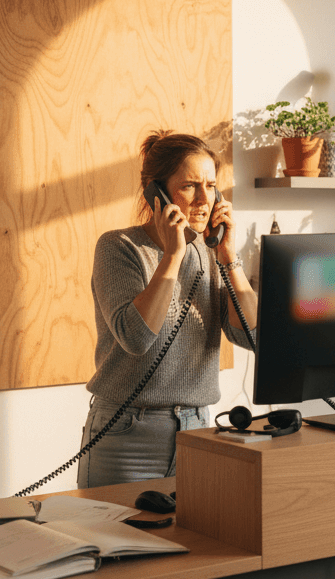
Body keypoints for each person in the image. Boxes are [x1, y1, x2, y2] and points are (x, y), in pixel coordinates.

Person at [77, 130, 258, 488]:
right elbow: (135, 336)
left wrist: (229, 256)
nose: (204, 199)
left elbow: (254, 336)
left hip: (198, 430)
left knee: (196, 543)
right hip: (126, 435)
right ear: (155, 191)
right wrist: (174, 255)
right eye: (190, 186)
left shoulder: (210, 253)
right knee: (117, 541)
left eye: (211, 185)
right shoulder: (119, 247)